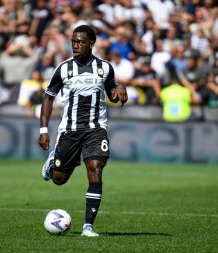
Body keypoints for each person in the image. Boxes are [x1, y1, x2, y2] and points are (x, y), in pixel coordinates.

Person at [38, 25, 127, 237]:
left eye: (80, 42)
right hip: (70, 130)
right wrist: (43, 130)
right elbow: (48, 97)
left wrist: (120, 89)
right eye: (73, 42)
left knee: (95, 168)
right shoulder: (63, 69)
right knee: (59, 180)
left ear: (91, 44)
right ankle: (54, 161)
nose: (75, 46)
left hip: (96, 128)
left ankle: (88, 226)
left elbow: (112, 94)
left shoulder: (105, 68)